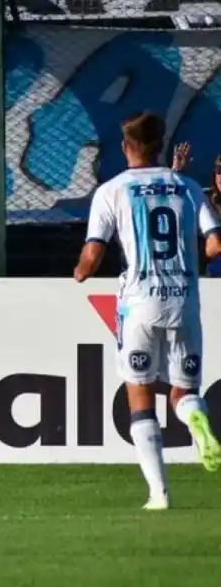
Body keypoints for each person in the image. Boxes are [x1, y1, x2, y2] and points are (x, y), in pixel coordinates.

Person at [74, 112, 221, 510]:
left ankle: (159, 493)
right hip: (183, 299)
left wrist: (80, 272)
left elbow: (92, 254)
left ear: (126, 148)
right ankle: (194, 418)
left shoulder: (112, 190)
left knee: (139, 394)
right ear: (159, 145)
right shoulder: (187, 186)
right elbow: (215, 244)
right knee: (183, 391)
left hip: (139, 302)